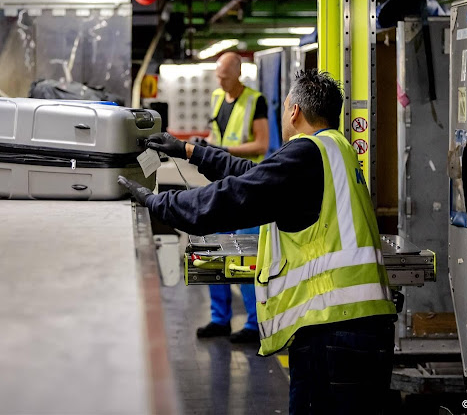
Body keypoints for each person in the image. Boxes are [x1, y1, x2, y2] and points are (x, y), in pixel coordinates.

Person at [119, 70, 396, 414]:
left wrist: (159, 203)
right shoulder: (337, 149)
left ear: (294, 111)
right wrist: (190, 151)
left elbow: (234, 196)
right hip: (363, 324)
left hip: (332, 330)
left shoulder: (307, 153)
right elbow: (256, 174)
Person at [191, 52, 269, 344]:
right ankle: (219, 319)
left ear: (238, 73)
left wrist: (224, 151)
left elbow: (261, 144)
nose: (220, 81)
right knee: (212, 247)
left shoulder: (255, 101)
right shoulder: (216, 97)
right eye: (218, 76)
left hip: (246, 187)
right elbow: (216, 136)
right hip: (219, 183)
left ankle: (254, 323)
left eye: (224, 76)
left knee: (244, 254)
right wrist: (205, 146)